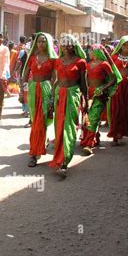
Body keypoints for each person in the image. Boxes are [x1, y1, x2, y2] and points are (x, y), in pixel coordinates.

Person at [49, 35, 88, 177]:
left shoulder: (81, 62)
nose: (66, 47)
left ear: (74, 46)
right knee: (59, 127)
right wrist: (51, 100)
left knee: (69, 127)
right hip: (59, 95)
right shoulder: (58, 61)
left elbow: (84, 84)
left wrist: (86, 101)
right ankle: (58, 158)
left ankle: (65, 162)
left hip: (73, 95)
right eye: (63, 44)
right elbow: (55, 81)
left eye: (69, 44)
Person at [21, 33, 57, 167]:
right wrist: (21, 91)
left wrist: (53, 97)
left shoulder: (53, 59)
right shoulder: (32, 57)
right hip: (32, 91)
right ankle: (38, 146)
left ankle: (35, 153)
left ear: (48, 43)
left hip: (46, 91)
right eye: (39, 41)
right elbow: (25, 75)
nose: (41, 44)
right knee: (35, 120)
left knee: (40, 121)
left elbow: (55, 79)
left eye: (43, 41)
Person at [80, 45, 121, 155]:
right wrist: (84, 93)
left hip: (99, 95)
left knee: (93, 118)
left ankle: (89, 144)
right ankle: (95, 138)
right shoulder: (88, 65)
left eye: (91, 50)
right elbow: (86, 80)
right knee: (87, 118)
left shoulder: (104, 64)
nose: (89, 52)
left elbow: (113, 79)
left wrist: (103, 88)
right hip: (89, 94)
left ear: (97, 52)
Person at [108, 36, 128, 146]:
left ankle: (122, 131)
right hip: (117, 87)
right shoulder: (114, 57)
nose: (126, 47)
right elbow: (109, 72)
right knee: (116, 109)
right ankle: (115, 135)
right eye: (124, 44)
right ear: (120, 45)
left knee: (126, 110)